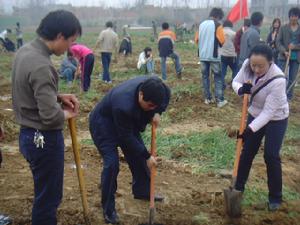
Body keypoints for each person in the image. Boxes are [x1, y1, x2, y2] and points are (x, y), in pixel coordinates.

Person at [11, 10, 81, 225]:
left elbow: (28, 90)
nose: (70, 47)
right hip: (43, 140)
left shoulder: (25, 51)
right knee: (48, 199)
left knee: (44, 191)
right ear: (60, 36)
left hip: (27, 135)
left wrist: (57, 96)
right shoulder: (42, 64)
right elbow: (50, 117)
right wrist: (66, 113)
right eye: (70, 41)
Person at [89, 76, 170, 224]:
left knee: (138, 156)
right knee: (112, 164)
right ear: (141, 95)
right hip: (103, 124)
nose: (152, 108)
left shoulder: (157, 88)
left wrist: (158, 112)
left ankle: (142, 191)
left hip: (126, 121)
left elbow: (166, 94)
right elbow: (125, 136)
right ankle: (108, 209)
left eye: (155, 106)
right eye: (150, 105)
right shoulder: (123, 105)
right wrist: (147, 156)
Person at [232, 44, 289, 212]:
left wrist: (250, 129)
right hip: (255, 113)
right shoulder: (248, 65)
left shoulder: (278, 80)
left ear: (270, 62)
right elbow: (235, 82)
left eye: (260, 66)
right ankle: (238, 188)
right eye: (253, 65)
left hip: (276, 118)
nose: (256, 69)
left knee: (271, 155)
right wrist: (241, 89)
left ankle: (275, 197)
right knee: (247, 151)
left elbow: (269, 113)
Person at [198, 7, 226, 107]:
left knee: (205, 77)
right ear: (218, 16)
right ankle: (219, 100)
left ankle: (208, 98)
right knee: (217, 77)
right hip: (214, 56)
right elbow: (222, 41)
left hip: (202, 56)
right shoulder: (218, 25)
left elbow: (197, 39)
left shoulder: (201, 25)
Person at [276, 7, 300, 101]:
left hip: (296, 57)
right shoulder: (283, 28)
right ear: (289, 16)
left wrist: (296, 47)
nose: (293, 18)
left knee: (292, 78)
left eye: (296, 16)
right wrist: (284, 51)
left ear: (298, 17)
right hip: (283, 56)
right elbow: (278, 42)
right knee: (281, 76)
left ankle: (288, 97)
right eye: (292, 16)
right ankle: (279, 95)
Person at [220, 20, 238, 89]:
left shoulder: (220, 33)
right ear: (231, 26)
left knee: (222, 72)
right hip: (232, 55)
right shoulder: (234, 33)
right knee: (236, 70)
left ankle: (222, 85)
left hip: (222, 55)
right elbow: (236, 44)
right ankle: (234, 85)